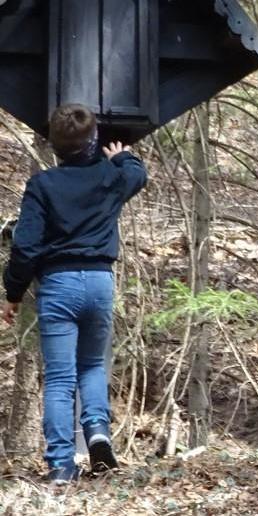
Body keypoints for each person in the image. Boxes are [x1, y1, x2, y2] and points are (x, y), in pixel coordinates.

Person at [2, 104, 148, 484]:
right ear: (94, 140)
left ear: (54, 145)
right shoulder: (110, 176)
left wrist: (13, 292)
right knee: (92, 365)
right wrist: (122, 157)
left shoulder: (42, 185)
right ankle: (98, 433)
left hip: (58, 286)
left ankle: (61, 466)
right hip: (99, 281)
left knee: (59, 378)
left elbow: (25, 247)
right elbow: (137, 175)